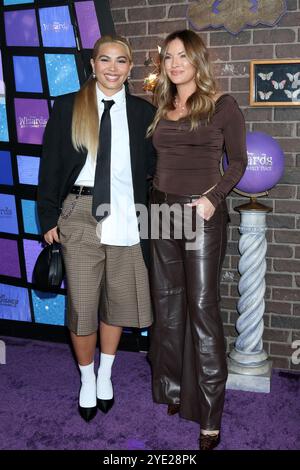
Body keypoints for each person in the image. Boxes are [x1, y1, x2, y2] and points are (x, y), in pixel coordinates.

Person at [37, 35, 156, 422]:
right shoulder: (70, 106)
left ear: (130, 67)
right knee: (83, 305)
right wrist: (48, 218)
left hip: (124, 215)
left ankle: (106, 374)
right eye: (105, 60)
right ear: (92, 64)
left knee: (117, 302)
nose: (112, 68)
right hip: (79, 213)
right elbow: (50, 164)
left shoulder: (142, 112)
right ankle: (86, 379)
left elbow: (153, 168)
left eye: (121, 61)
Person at [147, 30, 247, 450]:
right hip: (160, 210)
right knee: (167, 304)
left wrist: (213, 199)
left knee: (202, 310)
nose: (174, 63)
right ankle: (173, 390)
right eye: (168, 56)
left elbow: (238, 161)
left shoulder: (222, 105)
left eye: (182, 55)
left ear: (198, 60)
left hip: (199, 212)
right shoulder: (162, 105)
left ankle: (210, 415)